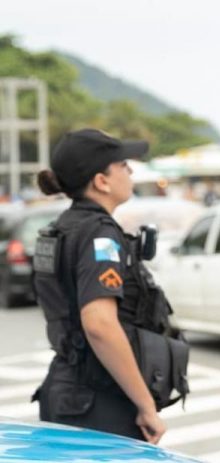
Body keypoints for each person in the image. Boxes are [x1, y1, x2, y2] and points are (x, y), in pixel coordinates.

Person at [31, 129, 189, 444]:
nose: (130, 171)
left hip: (70, 392)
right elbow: (100, 324)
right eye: (123, 165)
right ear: (101, 181)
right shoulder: (98, 235)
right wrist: (146, 406)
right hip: (99, 401)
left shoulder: (61, 229)